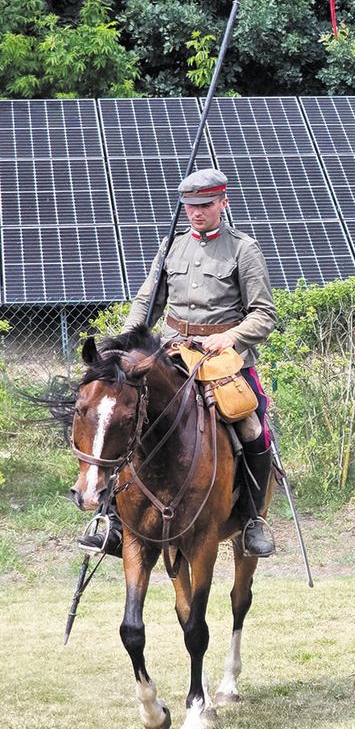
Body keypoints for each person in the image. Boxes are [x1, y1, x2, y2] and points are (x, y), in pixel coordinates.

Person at [78, 169, 279, 557]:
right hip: (170, 353)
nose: (196, 213)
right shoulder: (171, 246)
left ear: (224, 202)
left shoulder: (244, 249)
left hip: (223, 357)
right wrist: (122, 346)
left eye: (204, 205)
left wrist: (231, 336)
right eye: (189, 206)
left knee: (252, 425)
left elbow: (263, 313)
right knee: (126, 416)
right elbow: (146, 304)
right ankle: (113, 520)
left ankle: (253, 519)